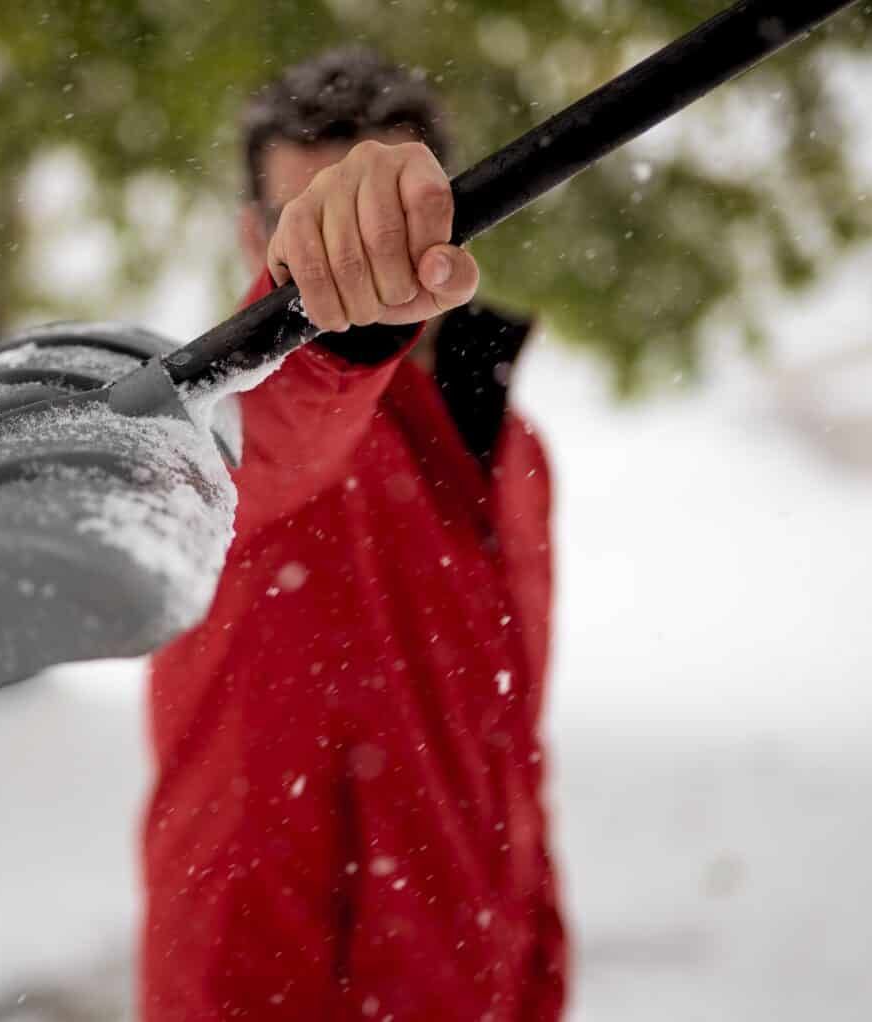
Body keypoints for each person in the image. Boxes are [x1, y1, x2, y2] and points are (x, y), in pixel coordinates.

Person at [141, 48, 565, 1021]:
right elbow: (270, 426)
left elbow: (510, 751)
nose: (347, 257)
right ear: (256, 237)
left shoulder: (515, 452)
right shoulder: (220, 429)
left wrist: (537, 962)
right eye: (306, 231)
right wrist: (326, 334)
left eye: (375, 220)